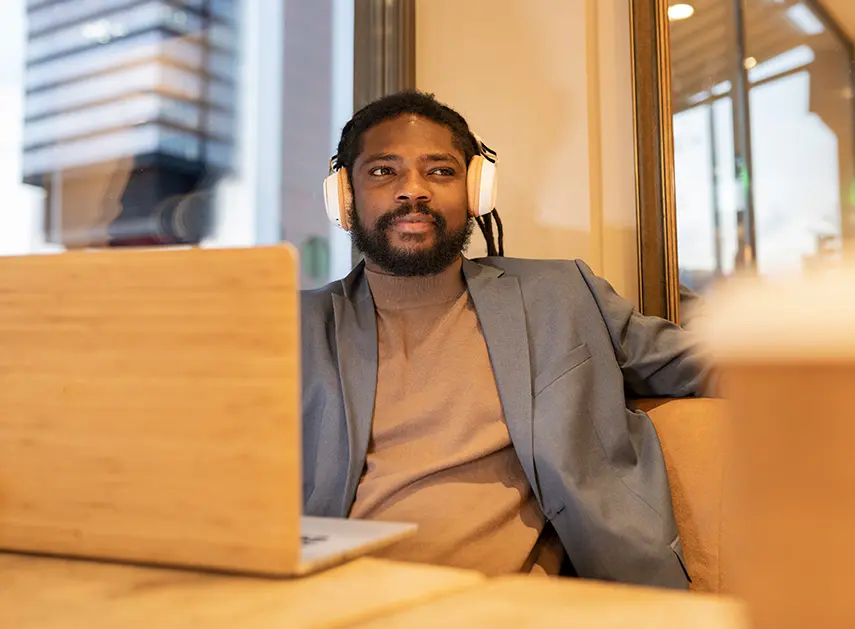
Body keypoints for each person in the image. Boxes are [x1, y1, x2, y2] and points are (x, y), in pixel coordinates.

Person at [301, 90, 710, 589]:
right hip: (336, 598)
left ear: (477, 191)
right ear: (345, 195)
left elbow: (702, 362)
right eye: (383, 171)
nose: (414, 190)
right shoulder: (294, 328)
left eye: (441, 170)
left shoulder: (561, 296)